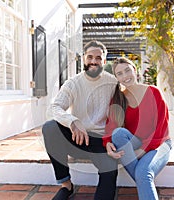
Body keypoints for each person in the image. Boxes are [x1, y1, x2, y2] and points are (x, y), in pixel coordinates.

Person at [42, 40, 118, 200]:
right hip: (78, 138)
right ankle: (66, 185)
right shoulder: (73, 83)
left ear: (104, 61)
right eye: (90, 57)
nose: (93, 61)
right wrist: (73, 121)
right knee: (50, 128)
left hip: (102, 141)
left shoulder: (113, 83)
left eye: (98, 58)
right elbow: (53, 108)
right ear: (83, 58)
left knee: (109, 173)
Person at [103, 57, 172, 200]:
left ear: (135, 70)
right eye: (120, 73)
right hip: (137, 142)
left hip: (159, 144)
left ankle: (143, 179)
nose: (125, 76)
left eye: (127, 70)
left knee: (143, 173)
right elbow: (111, 127)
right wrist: (108, 143)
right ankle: (144, 183)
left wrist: (141, 152)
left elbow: (161, 131)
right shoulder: (118, 99)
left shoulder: (154, 92)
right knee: (118, 133)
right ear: (117, 78)